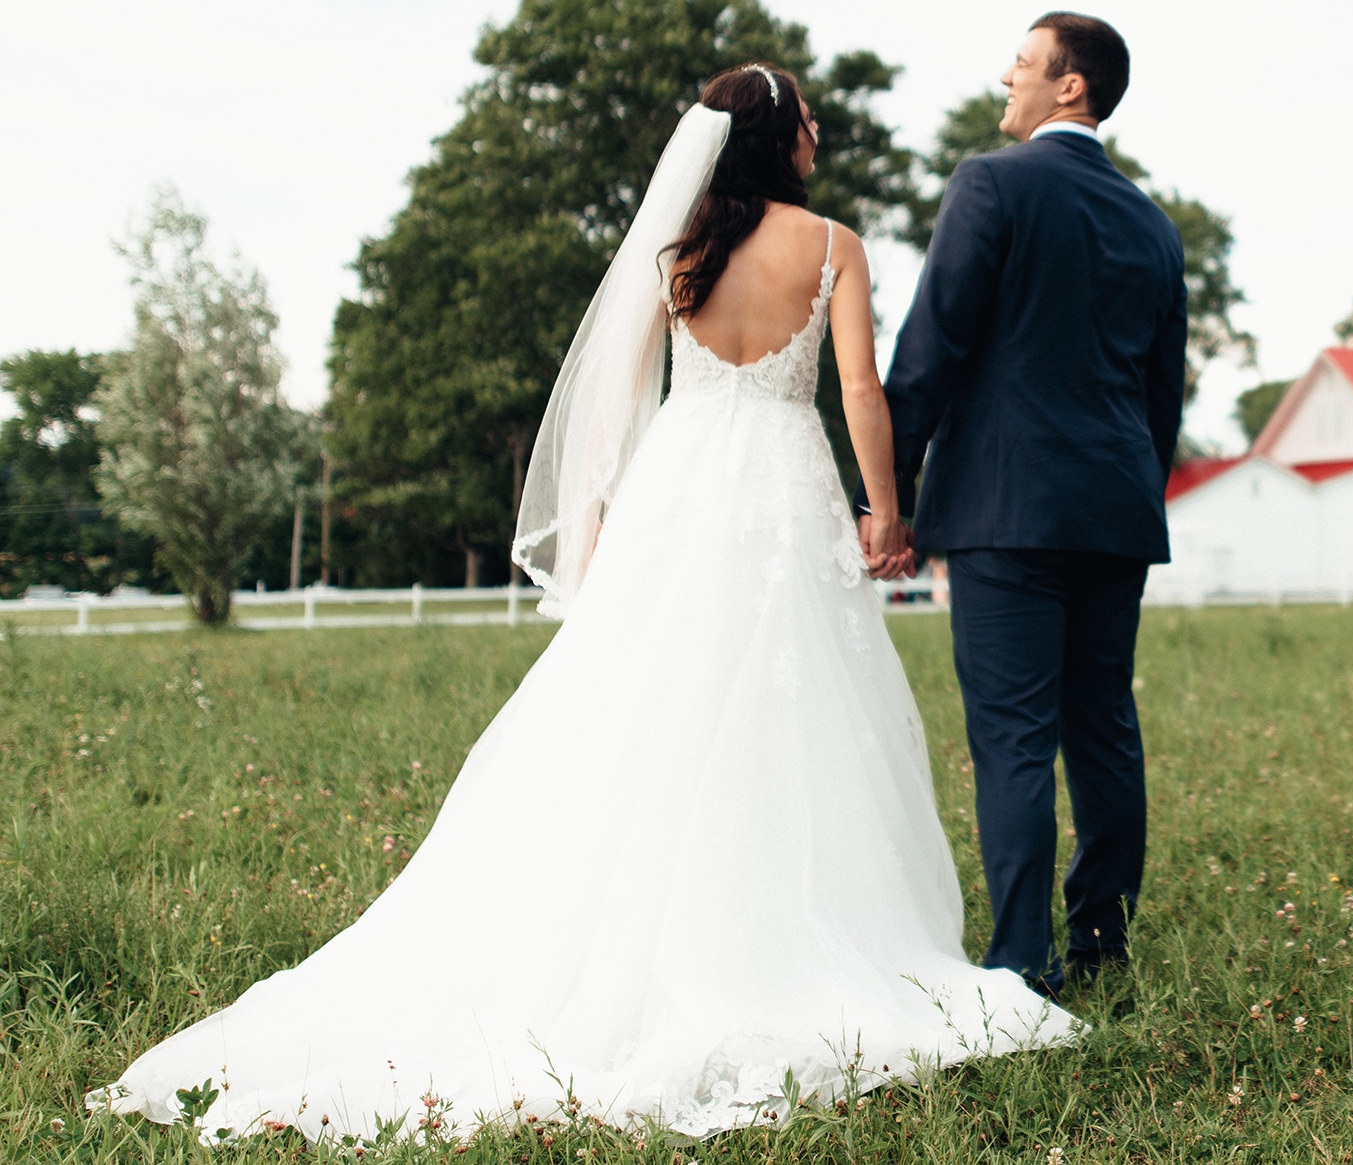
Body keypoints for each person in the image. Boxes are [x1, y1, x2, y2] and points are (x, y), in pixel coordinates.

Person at [88, 62, 1079, 1147]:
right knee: (788, 708)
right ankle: (777, 929)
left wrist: (602, 516)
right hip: (781, 492)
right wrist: (886, 511)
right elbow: (856, 391)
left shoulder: (675, 254)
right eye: (806, 120)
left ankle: (626, 927)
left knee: (646, 704)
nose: (814, 135)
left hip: (676, 487)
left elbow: (612, 394)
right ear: (777, 137)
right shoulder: (832, 245)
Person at [884, 12, 1186, 996]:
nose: (1004, 79)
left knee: (1013, 734)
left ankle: (1020, 962)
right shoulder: (1152, 222)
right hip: (1113, 511)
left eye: (1021, 65)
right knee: (1101, 726)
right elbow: (1161, 394)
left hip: (1005, 511)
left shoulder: (992, 183)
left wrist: (879, 489)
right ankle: (1100, 946)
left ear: (1070, 87)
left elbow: (931, 347)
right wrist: (1133, 485)